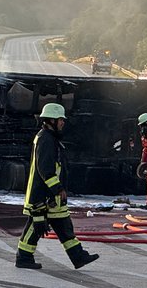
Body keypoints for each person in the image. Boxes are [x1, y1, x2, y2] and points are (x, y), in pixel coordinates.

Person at [15, 103, 99, 270]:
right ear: (51, 120)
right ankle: (23, 257)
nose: (63, 123)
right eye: (60, 120)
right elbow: (45, 169)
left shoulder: (50, 138)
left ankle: (78, 256)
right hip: (43, 195)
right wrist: (58, 188)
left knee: (64, 225)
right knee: (35, 226)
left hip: (52, 196)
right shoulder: (46, 139)